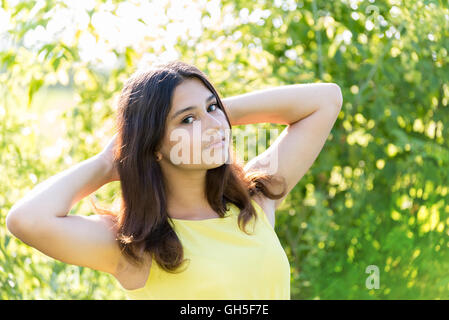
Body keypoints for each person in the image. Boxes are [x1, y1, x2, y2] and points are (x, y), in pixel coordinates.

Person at [6, 60, 343, 299]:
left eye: (212, 107)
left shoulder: (253, 201)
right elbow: (26, 220)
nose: (212, 125)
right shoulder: (133, 244)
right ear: (153, 145)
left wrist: (216, 117)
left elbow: (325, 99)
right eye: (186, 120)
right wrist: (109, 162)